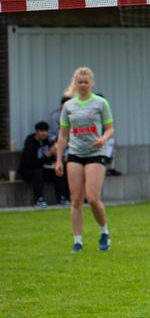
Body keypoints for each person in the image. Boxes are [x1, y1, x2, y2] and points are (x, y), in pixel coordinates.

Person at [54, 67, 115, 253]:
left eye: (85, 82)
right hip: (75, 154)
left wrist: (103, 139)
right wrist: (58, 159)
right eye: (79, 82)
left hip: (95, 154)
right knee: (76, 200)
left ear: (91, 83)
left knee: (93, 198)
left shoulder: (100, 103)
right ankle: (77, 241)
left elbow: (110, 128)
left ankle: (104, 232)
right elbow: (63, 135)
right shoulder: (69, 106)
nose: (82, 85)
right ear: (75, 83)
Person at [18, 121, 69, 207]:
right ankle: (39, 199)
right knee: (38, 172)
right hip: (28, 170)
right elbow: (33, 163)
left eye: (46, 131)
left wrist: (54, 161)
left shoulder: (48, 141)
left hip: (43, 169)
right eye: (41, 131)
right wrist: (49, 153)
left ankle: (62, 197)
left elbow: (48, 160)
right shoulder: (30, 143)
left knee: (58, 171)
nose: (44, 133)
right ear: (37, 132)